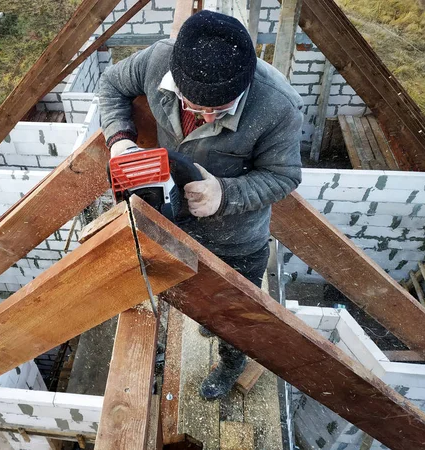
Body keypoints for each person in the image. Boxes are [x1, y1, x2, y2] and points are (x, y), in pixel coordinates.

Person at [98, 10, 303, 400]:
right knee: (181, 288)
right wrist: (120, 138)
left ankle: (230, 363)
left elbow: (284, 177)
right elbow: (111, 84)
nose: (205, 117)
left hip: (236, 239)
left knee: (234, 318)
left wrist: (225, 194)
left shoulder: (277, 107)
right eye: (194, 107)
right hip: (174, 219)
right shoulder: (160, 59)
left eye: (219, 112)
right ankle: (203, 316)